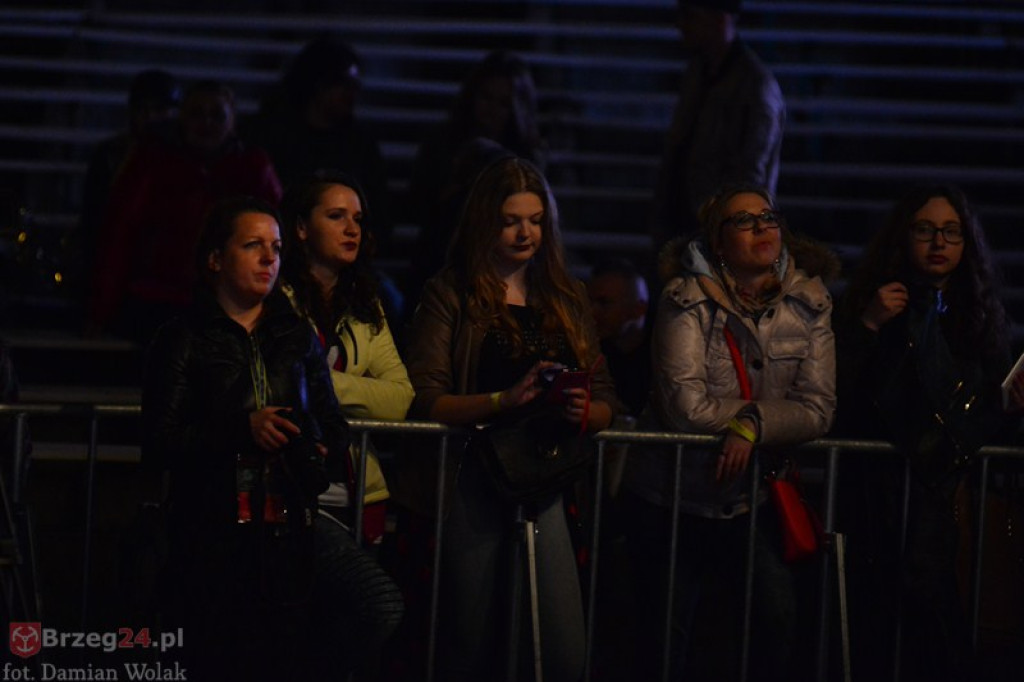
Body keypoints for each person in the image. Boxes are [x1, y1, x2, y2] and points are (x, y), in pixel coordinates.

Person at [142, 197, 385, 681]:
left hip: (287, 528)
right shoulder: (184, 337)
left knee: (372, 606)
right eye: (253, 245)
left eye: (275, 247)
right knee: (218, 655)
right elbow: (160, 441)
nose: (270, 258)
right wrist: (241, 429)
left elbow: (333, 424)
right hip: (209, 533)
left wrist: (322, 447)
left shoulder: (293, 335)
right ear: (215, 258)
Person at [395, 156, 617, 682]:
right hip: (473, 477)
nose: (526, 232)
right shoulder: (451, 292)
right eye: (511, 219)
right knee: (469, 641)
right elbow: (425, 398)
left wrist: (586, 410)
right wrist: (503, 400)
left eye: (536, 220)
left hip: (548, 476)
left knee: (562, 648)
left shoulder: (565, 296)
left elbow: (609, 399)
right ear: (484, 223)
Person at [622, 183, 836, 681]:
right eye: (744, 220)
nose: (762, 226)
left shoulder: (811, 301)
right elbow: (685, 407)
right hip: (671, 497)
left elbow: (819, 408)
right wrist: (759, 417)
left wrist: (754, 423)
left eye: (768, 215)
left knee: (776, 623)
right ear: (717, 242)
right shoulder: (685, 298)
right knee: (666, 636)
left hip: (752, 498)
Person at [835, 184, 1024, 682]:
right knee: (884, 623)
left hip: (947, 496)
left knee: (939, 618)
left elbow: (994, 402)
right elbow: (837, 394)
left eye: (951, 232)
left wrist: (1011, 402)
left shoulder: (977, 312)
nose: (939, 242)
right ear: (904, 236)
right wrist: (868, 325)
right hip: (880, 493)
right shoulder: (874, 302)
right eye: (925, 230)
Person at [89, 80, 282, 345]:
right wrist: (101, 308)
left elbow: (277, 232)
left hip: (230, 300)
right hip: (157, 298)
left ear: (232, 120)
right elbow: (120, 234)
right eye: (197, 114)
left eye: (217, 115)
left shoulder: (253, 168)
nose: (207, 123)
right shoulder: (152, 163)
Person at [280, 169, 414, 547]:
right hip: (285, 487)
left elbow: (400, 400)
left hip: (357, 492)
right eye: (336, 216)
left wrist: (317, 385)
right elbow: (278, 385)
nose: (352, 229)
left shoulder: (366, 303)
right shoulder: (276, 297)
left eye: (357, 219)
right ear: (301, 228)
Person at [406, 51, 545, 303]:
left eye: (503, 103)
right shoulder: (443, 146)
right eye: (486, 98)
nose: (492, 110)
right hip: (440, 269)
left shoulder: (525, 162)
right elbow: (420, 206)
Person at [651, 0, 785, 246]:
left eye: (691, 16)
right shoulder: (699, 72)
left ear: (719, 19)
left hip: (718, 235)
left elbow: (752, 173)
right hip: (688, 227)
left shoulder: (754, 86)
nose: (681, 25)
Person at [77, 69, 181, 293]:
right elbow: (94, 218)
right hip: (119, 266)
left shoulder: (187, 158)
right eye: (142, 110)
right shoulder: (112, 154)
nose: (151, 117)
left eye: (160, 110)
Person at [586, 257, 651, 418]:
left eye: (604, 303)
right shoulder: (591, 353)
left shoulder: (663, 354)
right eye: (589, 301)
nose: (591, 312)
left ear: (638, 309)